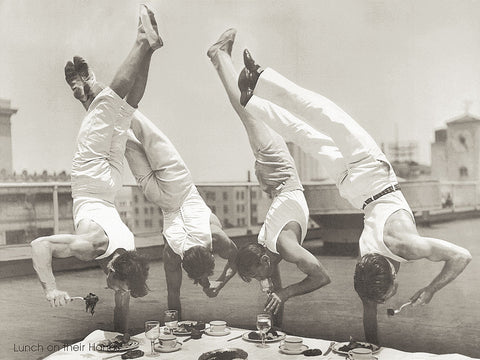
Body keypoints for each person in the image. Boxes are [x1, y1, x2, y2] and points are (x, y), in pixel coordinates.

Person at [237, 49, 472, 344]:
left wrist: (431, 288)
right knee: (305, 134)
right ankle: (251, 100)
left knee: (324, 114)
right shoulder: (366, 269)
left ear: (393, 278)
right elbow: (369, 314)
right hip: (350, 188)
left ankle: (260, 78)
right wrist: (372, 347)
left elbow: (462, 257)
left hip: (371, 173)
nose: (382, 300)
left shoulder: (402, 251)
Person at [65, 60, 238, 320]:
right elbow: (173, 298)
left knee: (135, 121)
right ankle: (88, 92)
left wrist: (218, 281)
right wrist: (207, 289)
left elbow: (234, 259)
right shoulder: (172, 252)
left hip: (177, 182)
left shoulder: (214, 236)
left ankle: (92, 85)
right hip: (156, 193)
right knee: (118, 135)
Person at [31, 4, 162, 332]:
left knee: (125, 111)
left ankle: (93, 84)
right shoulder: (91, 246)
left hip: (111, 185)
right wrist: (51, 289)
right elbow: (39, 246)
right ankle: (142, 43)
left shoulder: (129, 254)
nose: (113, 290)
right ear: (118, 270)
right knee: (112, 105)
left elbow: (122, 302)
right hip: (90, 179)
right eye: (117, 284)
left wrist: (120, 339)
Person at [207, 29, 331, 327]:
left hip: (280, 176)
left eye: (261, 277)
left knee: (248, 111)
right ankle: (225, 61)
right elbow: (318, 277)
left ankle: (219, 57)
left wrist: (284, 293)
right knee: (253, 113)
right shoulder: (272, 252)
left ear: (264, 260)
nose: (264, 284)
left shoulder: (281, 248)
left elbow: (322, 276)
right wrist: (280, 300)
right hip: (275, 183)